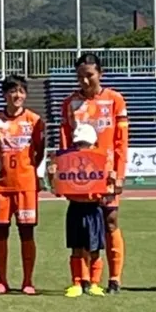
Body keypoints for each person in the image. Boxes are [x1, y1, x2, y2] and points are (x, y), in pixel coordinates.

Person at [59, 53, 128, 294]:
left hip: (107, 175)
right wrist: (63, 174)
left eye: (89, 75)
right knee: (82, 226)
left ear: (100, 74)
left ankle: (115, 278)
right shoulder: (70, 103)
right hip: (81, 177)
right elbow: (65, 143)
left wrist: (118, 175)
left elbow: (121, 143)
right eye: (80, 76)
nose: (85, 81)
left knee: (110, 221)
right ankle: (83, 280)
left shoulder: (114, 100)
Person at [0, 75, 46, 295]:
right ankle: (1, 280)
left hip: (26, 185)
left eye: (21, 91)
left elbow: (39, 151)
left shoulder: (34, 120)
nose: (17, 95)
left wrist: (28, 170)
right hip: (0, 186)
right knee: (0, 233)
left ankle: (28, 281)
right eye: (13, 91)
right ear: (5, 94)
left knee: (27, 233)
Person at [48, 123, 110, 298]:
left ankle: (94, 282)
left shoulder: (101, 159)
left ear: (93, 144)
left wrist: (111, 179)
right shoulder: (67, 161)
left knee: (95, 248)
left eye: (86, 144)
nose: (83, 148)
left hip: (93, 207)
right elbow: (56, 190)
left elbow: (108, 186)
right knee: (76, 247)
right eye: (79, 144)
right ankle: (77, 281)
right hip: (75, 206)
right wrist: (52, 175)